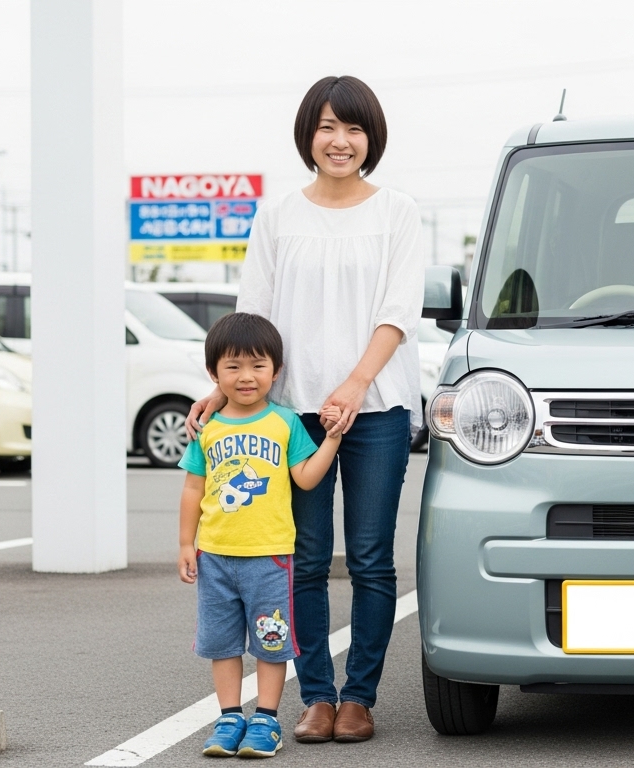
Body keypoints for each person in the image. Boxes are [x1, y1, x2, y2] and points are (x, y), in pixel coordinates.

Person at [186, 75, 423, 744]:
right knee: (308, 558)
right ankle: (317, 695)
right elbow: (250, 317)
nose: (339, 140)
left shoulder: (396, 212)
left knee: (372, 558)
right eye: (326, 126)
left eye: (352, 128)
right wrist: (222, 387)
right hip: (290, 416)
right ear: (307, 136)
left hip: (374, 407)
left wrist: (354, 383)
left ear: (370, 137)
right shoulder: (279, 214)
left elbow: (398, 313)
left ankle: (360, 698)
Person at [178, 313, 343, 758]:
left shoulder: (285, 423)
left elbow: (306, 479)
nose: (246, 377)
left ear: (276, 370)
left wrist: (331, 440)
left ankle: (266, 720)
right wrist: (184, 545)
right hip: (214, 555)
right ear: (214, 374)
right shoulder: (207, 427)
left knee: (271, 642)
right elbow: (193, 487)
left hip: (270, 557)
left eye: (257, 366)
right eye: (232, 367)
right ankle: (230, 716)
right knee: (222, 642)